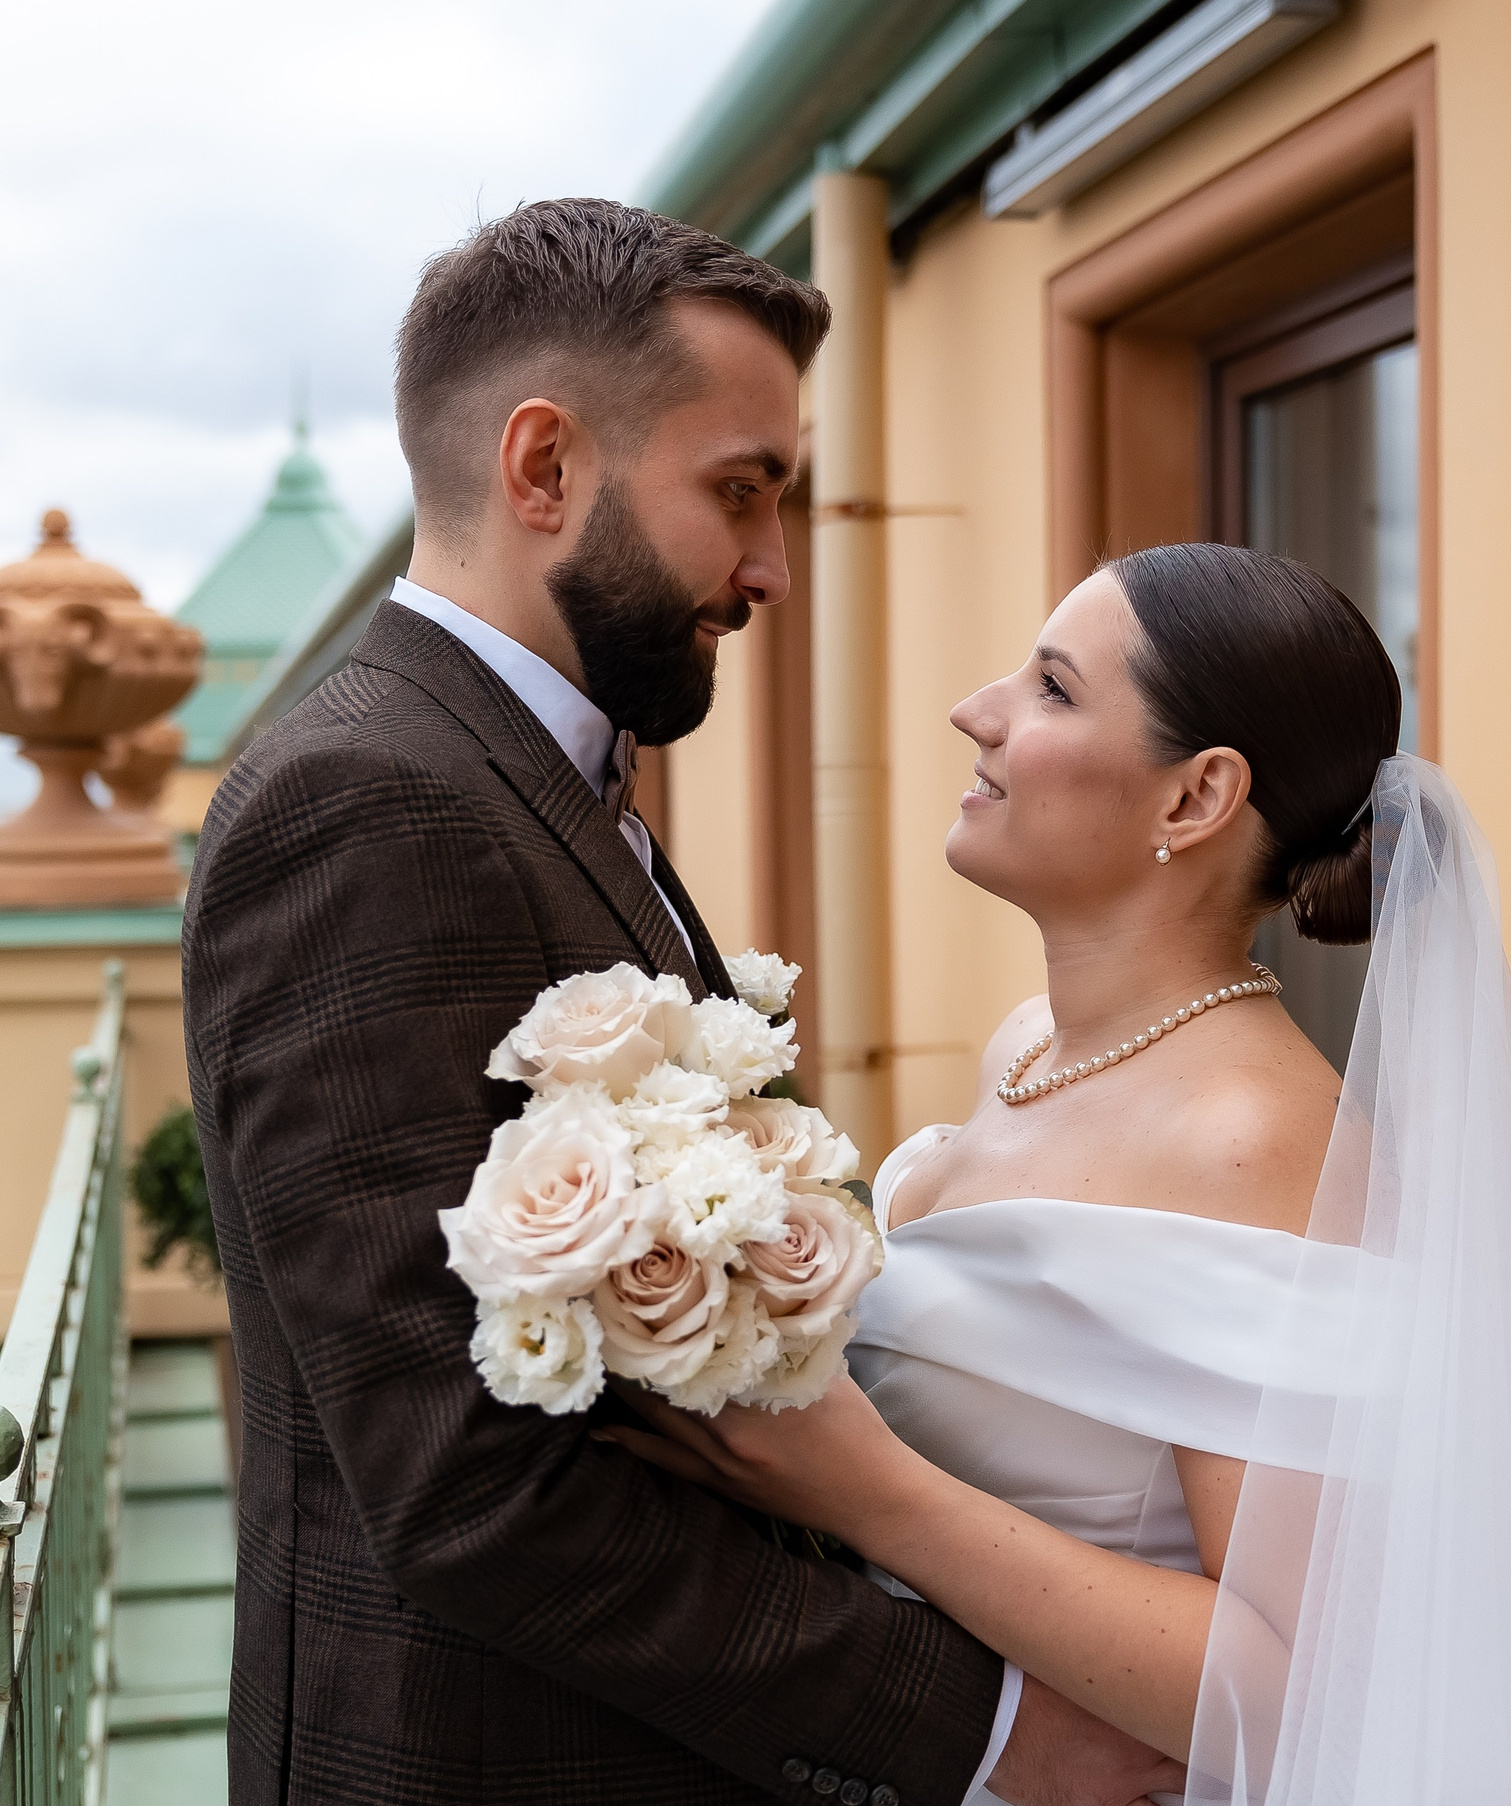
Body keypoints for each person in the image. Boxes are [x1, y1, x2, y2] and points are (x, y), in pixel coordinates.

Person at [184, 198, 1180, 1806]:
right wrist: (992, 1727)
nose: (773, 566)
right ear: (544, 467)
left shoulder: (553, 779)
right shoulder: (369, 805)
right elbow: (467, 1486)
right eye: (740, 491)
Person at [605, 544, 1511, 1805]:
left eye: (1052, 688)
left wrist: (871, 1495)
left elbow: (1305, 1692)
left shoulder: (1251, 1140)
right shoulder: (1026, 1048)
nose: (978, 709)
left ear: (1195, 798)